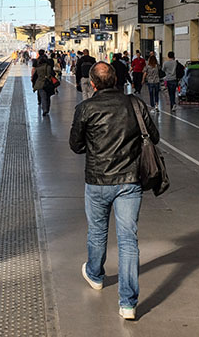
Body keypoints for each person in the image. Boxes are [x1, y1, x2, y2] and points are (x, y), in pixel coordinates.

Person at [69, 62, 159, 320]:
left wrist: (96, 146)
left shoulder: (85, 108)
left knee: (97, 232)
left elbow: (75, 145)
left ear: (93, 84)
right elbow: (154, 136)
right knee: (128, 240)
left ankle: (96, 275)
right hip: (129, 182)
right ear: (117, 80)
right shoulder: (136, 104)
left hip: (97, 181)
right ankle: (128, 304)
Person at [32, 50, 54, 116]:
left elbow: (34, 77)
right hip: (48, 83)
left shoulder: (38, 68)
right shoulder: (49, 67)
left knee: (43, 97)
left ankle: (44, 109)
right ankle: (47, 108)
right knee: (48, 97)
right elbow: (53, 74)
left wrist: (34, 84)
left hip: (40, 84)